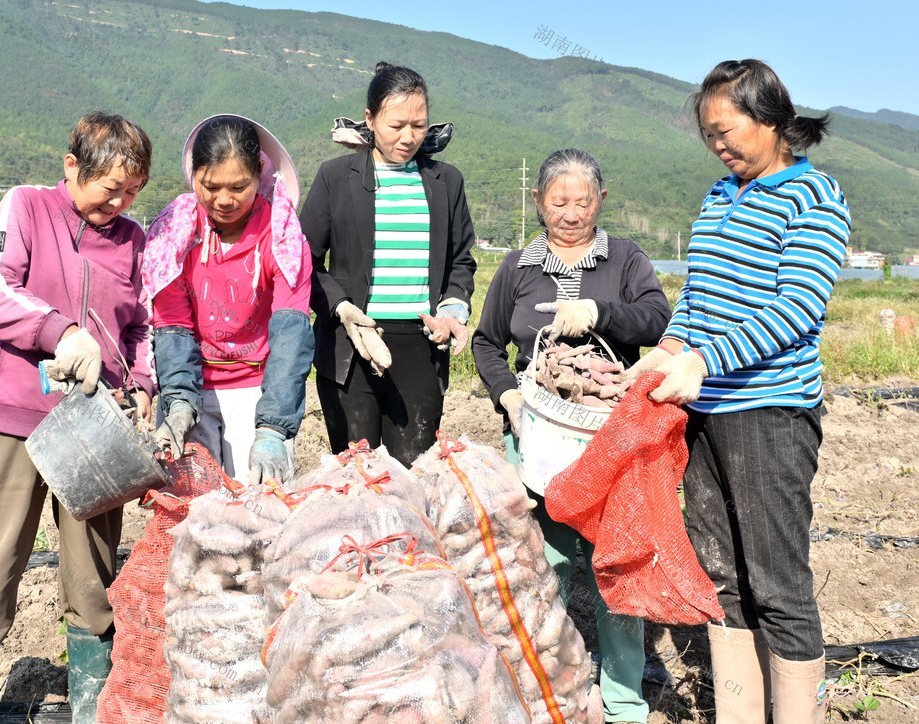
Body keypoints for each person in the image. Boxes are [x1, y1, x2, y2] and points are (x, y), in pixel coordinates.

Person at [626, 59, 851, 724]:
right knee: (719, 577)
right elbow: (697, 295)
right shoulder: (719, 196)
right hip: (706, 413)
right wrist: (668, 350)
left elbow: (797, 308)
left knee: (777, 584)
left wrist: (706, 359)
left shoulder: (814, 197)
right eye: (709, 136)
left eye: (727, 131)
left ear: (771, 117)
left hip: (770, 415)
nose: (719, 146)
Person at [0, 111, 154, 722]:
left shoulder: (132, 239)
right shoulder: (26, 208)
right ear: (71, 168)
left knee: (92, 584)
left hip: (94, 432)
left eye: (131, 190)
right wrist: (58, 332)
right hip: (14, 419)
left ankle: (90, 708)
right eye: (108, 187)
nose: (118, 201)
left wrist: (140, 382)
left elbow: (139, 323)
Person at [472, 148, 670, 723]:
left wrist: (602, 313)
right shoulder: (518, 267)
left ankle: (624, 700)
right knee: (546, 564)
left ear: (600, 202)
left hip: (607, 441)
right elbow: (487, 341)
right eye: (558, 201)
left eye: (583, 202)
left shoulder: (626, 260)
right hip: (538, 440)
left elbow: (658, 319)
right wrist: (507, 394)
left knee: (614, 565)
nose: (570, 212)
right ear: (539, 202)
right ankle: (549, 687)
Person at [300, 62, 477, 467]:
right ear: (370, 119)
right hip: (351, 346)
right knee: (357, 478)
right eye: (396, 125)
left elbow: (461, 261)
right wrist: (342, 308)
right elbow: (305, 261)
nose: (408, 137)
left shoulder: (445, 182)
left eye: (419, 125)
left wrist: (451, 309)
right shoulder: (335, 177)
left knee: (413, 474)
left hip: (420, 347)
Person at [142, 114, 313, 486]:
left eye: (238, 187)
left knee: (256, 510)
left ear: (260, 175)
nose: (223, 200)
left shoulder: (282, 238)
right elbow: (173, 325)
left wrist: (273, 428)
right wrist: (179, 402)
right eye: (210, 186)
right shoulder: (175, 234)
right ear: (194, 176)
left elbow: (290, 336)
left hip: (257, 390)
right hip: (192, 384)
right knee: (193, 510)